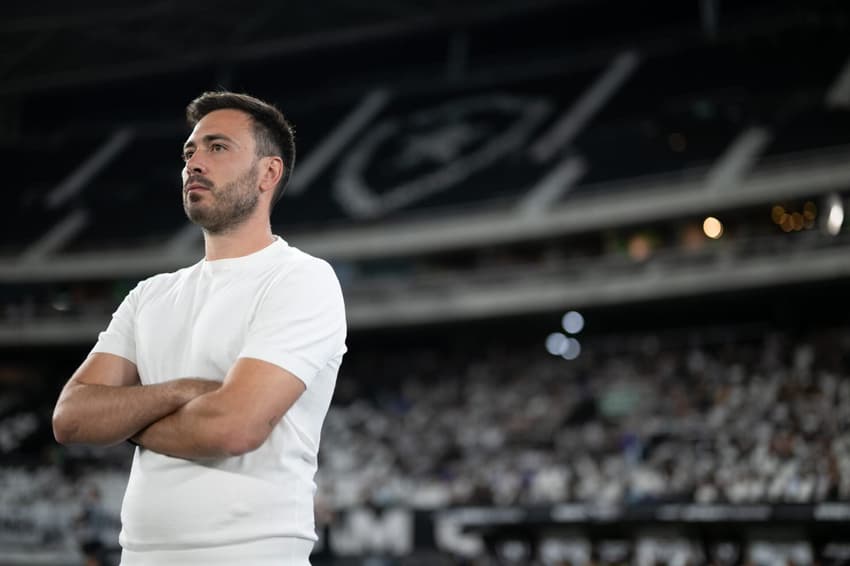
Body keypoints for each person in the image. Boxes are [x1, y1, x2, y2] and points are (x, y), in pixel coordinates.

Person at [52, 91, 347, 565]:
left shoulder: (301, 279)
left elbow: (233, 428)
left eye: (217, 147)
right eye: (189, 152)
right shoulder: (149, 294)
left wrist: (124, 420)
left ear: (268, 173)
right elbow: (70, 417)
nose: (194, 163)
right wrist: (183, 391)